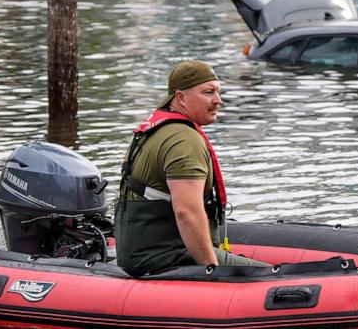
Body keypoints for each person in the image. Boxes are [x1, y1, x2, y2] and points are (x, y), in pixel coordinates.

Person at [114, 60, 269, 277]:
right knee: (272, 276)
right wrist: (212, 269)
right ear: (180, 98)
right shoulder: (184, 140)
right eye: (208, 92)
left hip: (140, 254)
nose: (218, 101)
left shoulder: (155, 130)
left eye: (218, 92)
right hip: (168, 257)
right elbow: (186, 212)